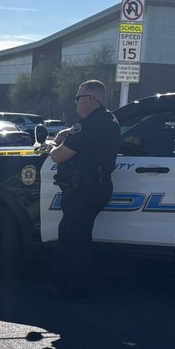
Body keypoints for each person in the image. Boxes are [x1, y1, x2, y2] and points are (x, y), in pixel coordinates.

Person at [46, 79, 120, 300]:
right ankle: (58, 281)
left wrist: (51, 146)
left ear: (90, 99)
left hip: (83, 191)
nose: (76, 103)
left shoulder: (89, 126)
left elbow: (59, 156)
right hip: (97, 187)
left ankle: (76, 289)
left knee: (78, 239)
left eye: (78, 98)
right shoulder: (109, 120)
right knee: (69, 234)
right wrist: (69, 132)